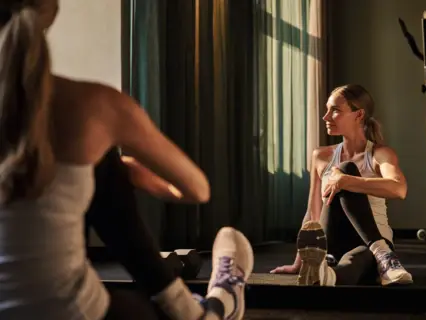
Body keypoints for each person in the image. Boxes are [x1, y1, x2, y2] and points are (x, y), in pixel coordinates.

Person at [0, 1, 253, 319]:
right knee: (104, 164)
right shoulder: (96, 106)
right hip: (73, 312)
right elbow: (197, 189)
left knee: (101, 166)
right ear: (49, 11)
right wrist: (143, 178)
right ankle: (214, 305)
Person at [271, 84, 413, 287]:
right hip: (332, 240)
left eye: (335, 111)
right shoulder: (321, 156)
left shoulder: (380, 154)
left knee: (355, 262)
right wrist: (298, 263)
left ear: (359, 115)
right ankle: (333, 263)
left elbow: (399, 189)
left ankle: (331, 275)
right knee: (343, 170)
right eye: (327, 110)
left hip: (369, 240)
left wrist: (346, 180)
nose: (326, 117)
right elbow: (313, 212)